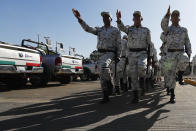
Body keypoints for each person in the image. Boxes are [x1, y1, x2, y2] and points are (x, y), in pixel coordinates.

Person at [72, 9, 121, 104]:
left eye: (106, 17)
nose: (104, 19)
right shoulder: (100, 30)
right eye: (103, 17)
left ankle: (110, 83)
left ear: (111, 19)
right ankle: (105, 96)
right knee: (101, 75)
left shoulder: (115, 30)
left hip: (110, 53)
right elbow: (88, 28)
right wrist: (80, 19)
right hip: (100, 54)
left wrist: (118, 55)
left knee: (103, 66)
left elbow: (119, 44)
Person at [116, 10, 153, 103]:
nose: (136, 18)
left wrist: (150, 57)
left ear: (141, 18)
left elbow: (149, 44)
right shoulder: (129, 29)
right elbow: (121, 27)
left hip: (142, 53)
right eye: (135, 17)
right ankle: (135, 97)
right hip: (132, 54)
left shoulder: (146, 30)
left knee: (142, 67)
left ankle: (142, 80)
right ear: (133, 19)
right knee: (133, 76)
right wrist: (119, 19)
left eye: (138, 17)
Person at [161, 6, 192, 103]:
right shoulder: (168, 29)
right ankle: (172, 94)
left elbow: (187, 41)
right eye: (173, 16)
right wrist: (167, 15)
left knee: (185, 60)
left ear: (179, 18)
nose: (175, 18)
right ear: (171, 19)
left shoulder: (184, 30)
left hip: (180, 51)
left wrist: (189, 53)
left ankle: (180, 75)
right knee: (169, 75)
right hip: (169, 53)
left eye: (176, 16)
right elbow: (163, 25)